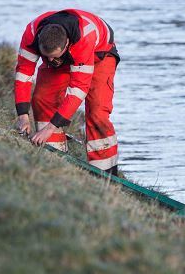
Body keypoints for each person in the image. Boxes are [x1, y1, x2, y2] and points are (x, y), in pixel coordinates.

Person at [14, 9, 120, 175]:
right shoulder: (32, 32)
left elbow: (78, 89)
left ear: (67, 43)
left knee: (97, 112)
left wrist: (50, 128)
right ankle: (53, 159)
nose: (49, 61)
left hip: (100, 55)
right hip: (66, 55)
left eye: (53, 56)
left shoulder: (85, 36)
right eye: (46, 56)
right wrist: (22, 115)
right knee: (42, 98)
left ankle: (106, 172)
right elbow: (23, 74)